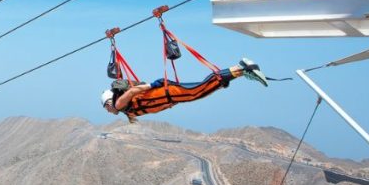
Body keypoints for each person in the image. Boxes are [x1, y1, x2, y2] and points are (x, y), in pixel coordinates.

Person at [100, 59, 267, 121]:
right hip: (169, 96)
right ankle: (239, 72)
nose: (108, 111)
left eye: (106, 107)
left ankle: (240, 68)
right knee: (200, 91)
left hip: (167, 93)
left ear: (109, 102)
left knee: (199, 90)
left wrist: (152, 85)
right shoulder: (126, 110)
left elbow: (131, 92)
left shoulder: (119, 105)